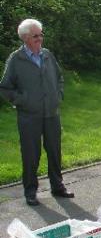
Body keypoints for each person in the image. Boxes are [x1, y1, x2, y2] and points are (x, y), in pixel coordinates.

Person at [0, 19, 74, 206]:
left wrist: (58, 96)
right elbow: (5, 88)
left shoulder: (47, 55)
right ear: (25, 38)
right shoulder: (16, 59)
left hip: (51, 113)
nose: (40, 38)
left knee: (55, 151)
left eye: (41, 34)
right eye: (35, 36)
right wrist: (23, 101)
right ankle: (30, 191)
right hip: (29, 116)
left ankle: (58, 186)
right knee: (31, 154)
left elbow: (59, 78)